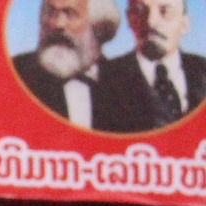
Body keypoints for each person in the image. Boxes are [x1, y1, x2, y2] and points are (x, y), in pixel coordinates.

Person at [10, 0, 126, 130]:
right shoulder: (17, 71)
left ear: (99, 27)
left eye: (71, 14)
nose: (57, 24)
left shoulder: (125, 85)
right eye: (51, 13)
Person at [100, 0, 206, 129]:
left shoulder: (202, 70)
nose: (151, 21)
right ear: (129, 19)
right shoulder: (104, 79)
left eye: (165, 11)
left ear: (184, 24)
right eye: (139, 11)